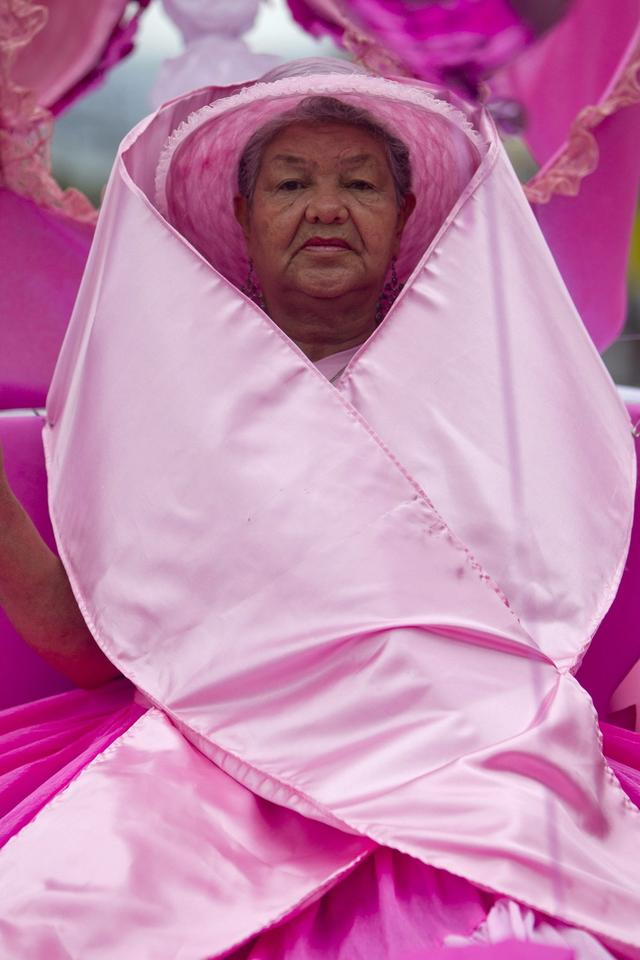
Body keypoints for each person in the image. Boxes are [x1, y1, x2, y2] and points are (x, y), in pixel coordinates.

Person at [0, 58, 639, 959]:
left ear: (407, 222)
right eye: (291, 184)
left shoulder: (498, 395)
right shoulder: (166, 406)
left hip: (481, 746)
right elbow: (95, 643)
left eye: (362, 184)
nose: (327, 207)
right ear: (246, 222)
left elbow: (565, 584)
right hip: (224, 756)